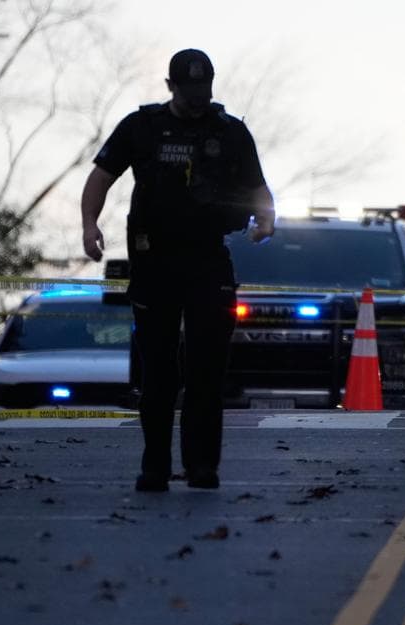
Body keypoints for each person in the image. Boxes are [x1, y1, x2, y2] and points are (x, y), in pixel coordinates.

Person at [80, 49, 274, 492]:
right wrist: (90, 225)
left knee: (207, 368)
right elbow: (100, 177)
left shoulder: (230, 132)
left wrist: (267, 217)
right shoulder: (141, 127)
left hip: (208, 259)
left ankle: (203, 465)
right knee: (159, 369)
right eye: (188, 91)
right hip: (155, 260)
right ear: (170, 87)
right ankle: (155, 465)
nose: (197, 99)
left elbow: (258, 187)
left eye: (204, 89)